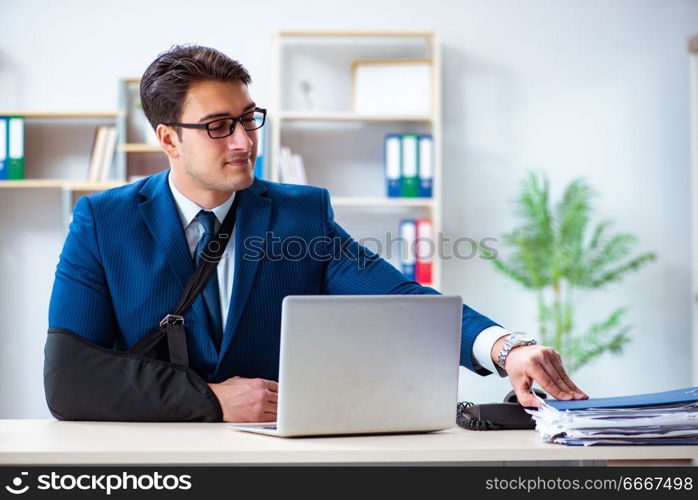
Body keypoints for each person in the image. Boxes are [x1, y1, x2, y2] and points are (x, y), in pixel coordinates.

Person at [47, 44, 587, 423]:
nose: (243, 141)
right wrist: (209, 400)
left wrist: (504, 347)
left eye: (248, 118)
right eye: (217, 126)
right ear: (169, 138)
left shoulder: (300, 213)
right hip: (149, 465)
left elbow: (397, 297)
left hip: (274, 463)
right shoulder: (103, 221)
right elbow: (69, 378)